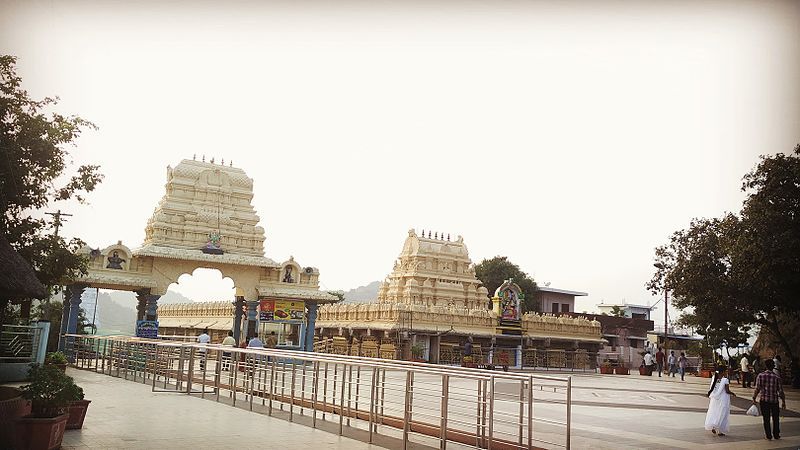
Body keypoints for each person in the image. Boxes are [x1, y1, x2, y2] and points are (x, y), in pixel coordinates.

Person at [752, 359, 786, 441]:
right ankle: (776, 435)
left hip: (764, 400)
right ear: (773, 366)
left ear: (766, 366)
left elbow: (757, 388)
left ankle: (768, 435)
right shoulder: (777, 377)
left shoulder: (760, 375)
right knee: (776, 418)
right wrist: (783, 402)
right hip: (774, 401)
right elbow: (781, 391)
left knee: (766, 418)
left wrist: (754, 397)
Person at [705, 365, 735, 436]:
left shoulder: (714, 378)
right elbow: (727, 391)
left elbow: (713, 388)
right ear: (723, 372)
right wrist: (733, 393)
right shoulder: (725, 380)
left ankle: (714, 426)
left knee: (715, 411)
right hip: (723, 398)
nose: (726, 372)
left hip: (715, 399)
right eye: (726, 371)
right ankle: (721, 431)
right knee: (722, 413)